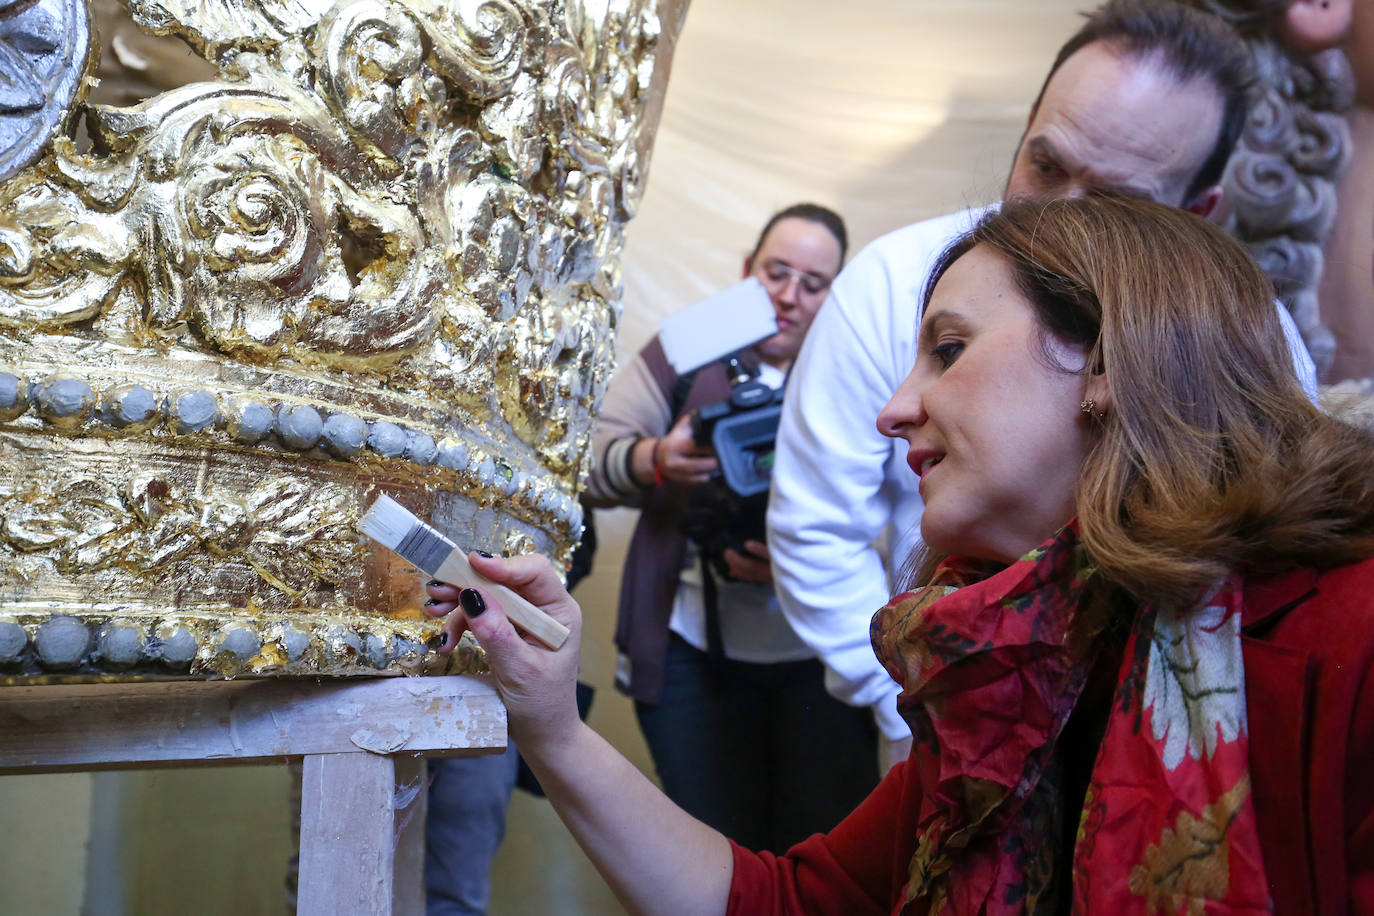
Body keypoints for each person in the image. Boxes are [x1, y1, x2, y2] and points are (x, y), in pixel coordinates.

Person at [425, 195, 1374, 914]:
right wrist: (551, 724)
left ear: (1109, 361)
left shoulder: (1344, 632)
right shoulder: (1011, 674)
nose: (892, 410)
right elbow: (783, 901)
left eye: (949, 350)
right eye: (773, 272)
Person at [765, 0, 1322, 773]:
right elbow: (817, 528)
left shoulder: (1250, 342)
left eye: (1115, 201)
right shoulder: (891, 283)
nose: (1059, 217)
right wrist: (918, 702)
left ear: (1196, 212)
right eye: (1046, 165)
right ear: (1028, 123)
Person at [579, 203, 878, 853]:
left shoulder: (865, 364)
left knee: (822, 856)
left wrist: (811, 555)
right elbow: (586, 464)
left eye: (813, 282)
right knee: (716, 858)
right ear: (747, 270)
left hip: (820, 659)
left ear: (838, 291)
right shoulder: (690, 346)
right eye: (775, 272)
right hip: (691, 653)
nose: (788, 296)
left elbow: (914, 509)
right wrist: (655, 459)